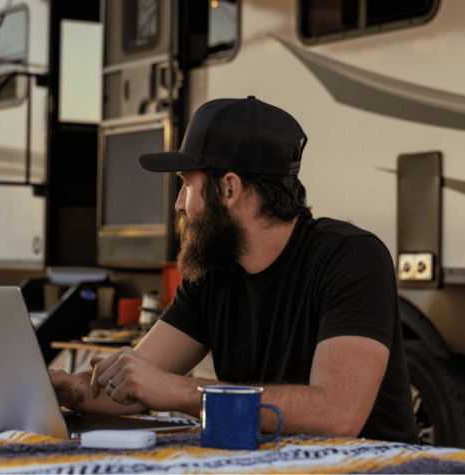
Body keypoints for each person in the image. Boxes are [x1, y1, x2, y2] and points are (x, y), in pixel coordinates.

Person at [51, 96, 419, 443]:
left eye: (186, 184)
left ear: (229, 189)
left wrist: (181, 391)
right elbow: (135, 385)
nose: (179, 204)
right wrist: (77, 389)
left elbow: (338, 414)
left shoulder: (351, 257)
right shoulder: (213, 270)